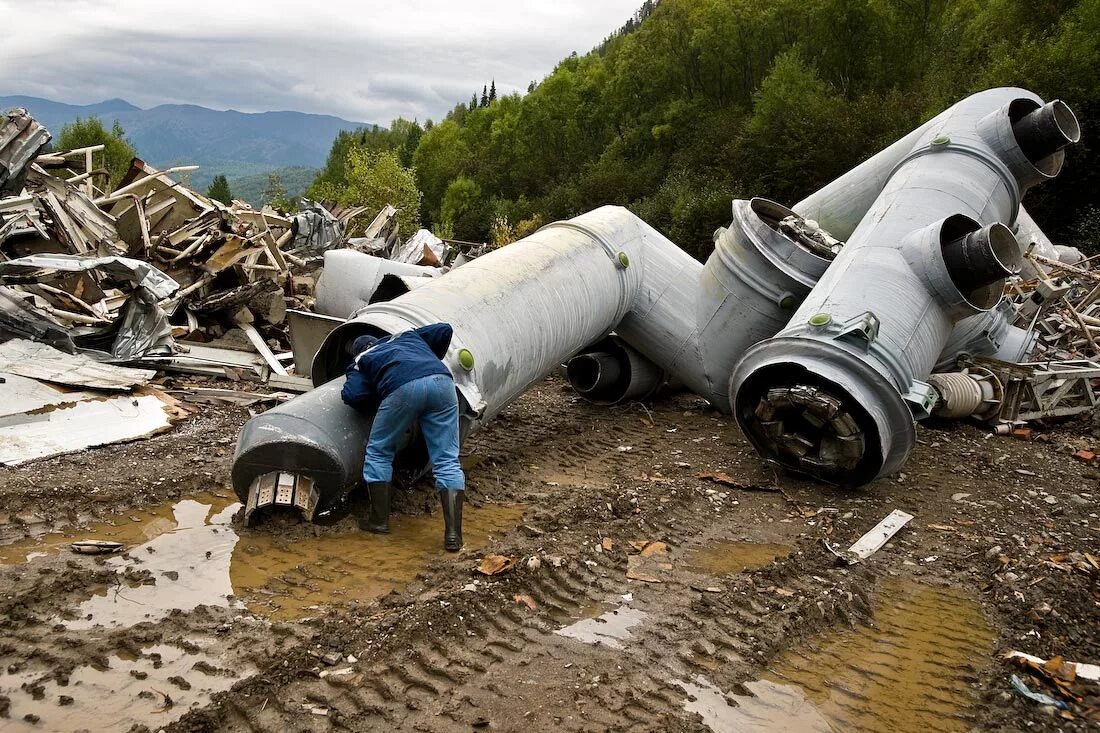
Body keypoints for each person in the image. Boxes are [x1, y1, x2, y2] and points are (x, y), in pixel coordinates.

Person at [340, 324, 466, 551]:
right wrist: (426, 359)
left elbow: (354, 395)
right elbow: (444, 330)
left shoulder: (361, 359)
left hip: (402, 389)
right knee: (447, 459)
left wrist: (380, 388)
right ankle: (453, 535)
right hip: (443, 382)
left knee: (379, 451)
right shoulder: (406, 336)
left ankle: (379, 521)